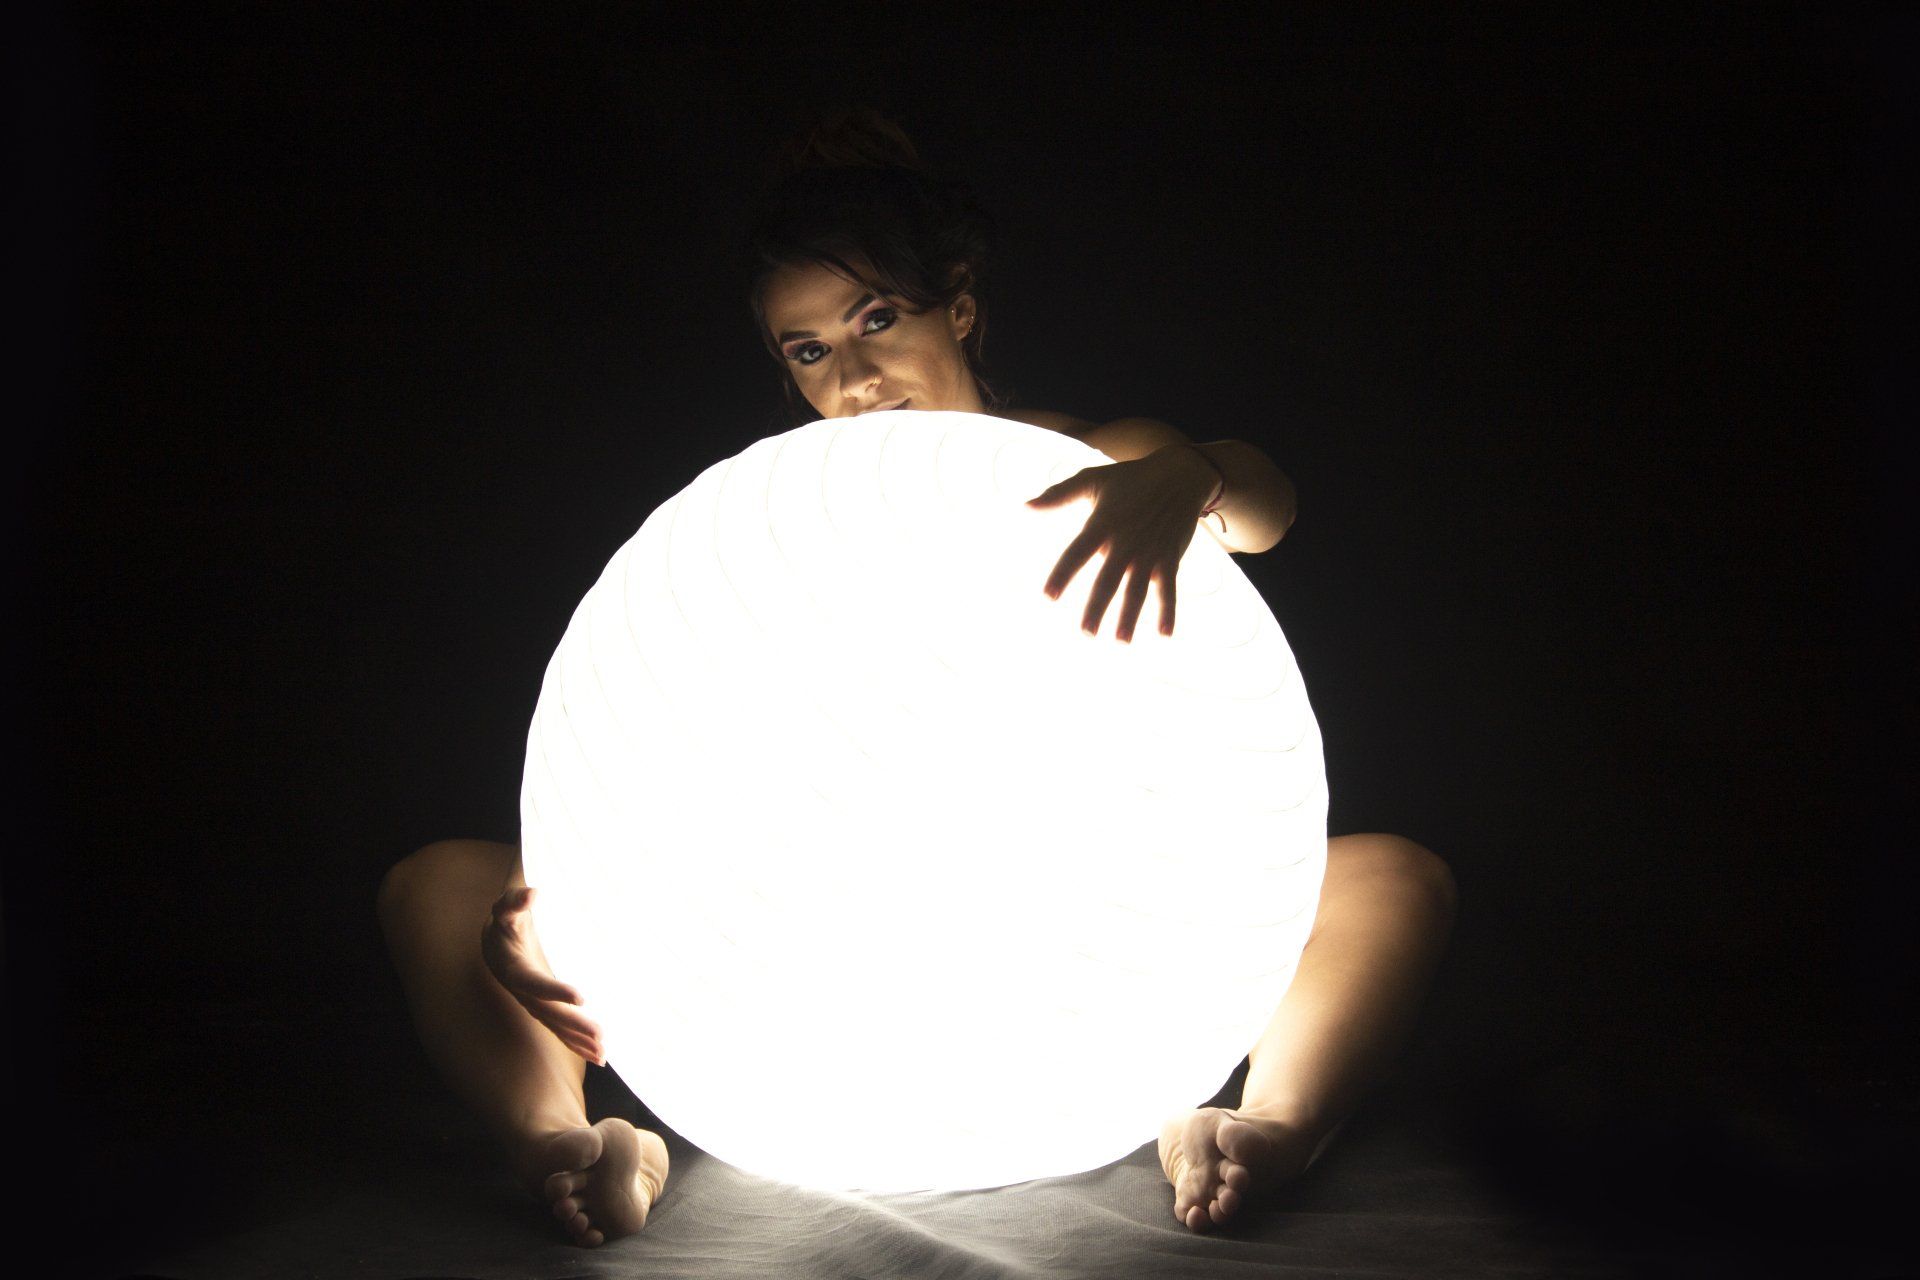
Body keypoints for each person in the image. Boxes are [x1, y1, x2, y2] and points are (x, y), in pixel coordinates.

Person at [378, 109, 1457, 1247]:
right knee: (442, 886)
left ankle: (1262, 1123)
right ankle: (569, 1134)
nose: (854, 375)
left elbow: (1266, 511)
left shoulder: (1089, 464)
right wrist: (577, 888)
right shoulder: (762, 531)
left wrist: (1186, 475)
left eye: (877, 319)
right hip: (807, 950)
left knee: (1394, 878)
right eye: (807, 350)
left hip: (1068, 926)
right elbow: (692, 753)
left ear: (961, 307)